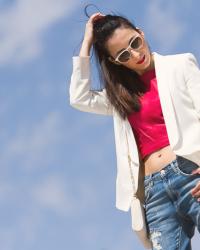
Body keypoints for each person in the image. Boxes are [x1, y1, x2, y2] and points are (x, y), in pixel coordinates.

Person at [69, 10, 200, 250]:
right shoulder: (119, 96)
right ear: (114, 61)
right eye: (123, 54)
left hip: (191, 174)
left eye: (135, 42)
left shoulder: (180, 64)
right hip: (153, 192)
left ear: (141, 32)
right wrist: (87, 42)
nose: (135, 54)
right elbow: (79, 97)